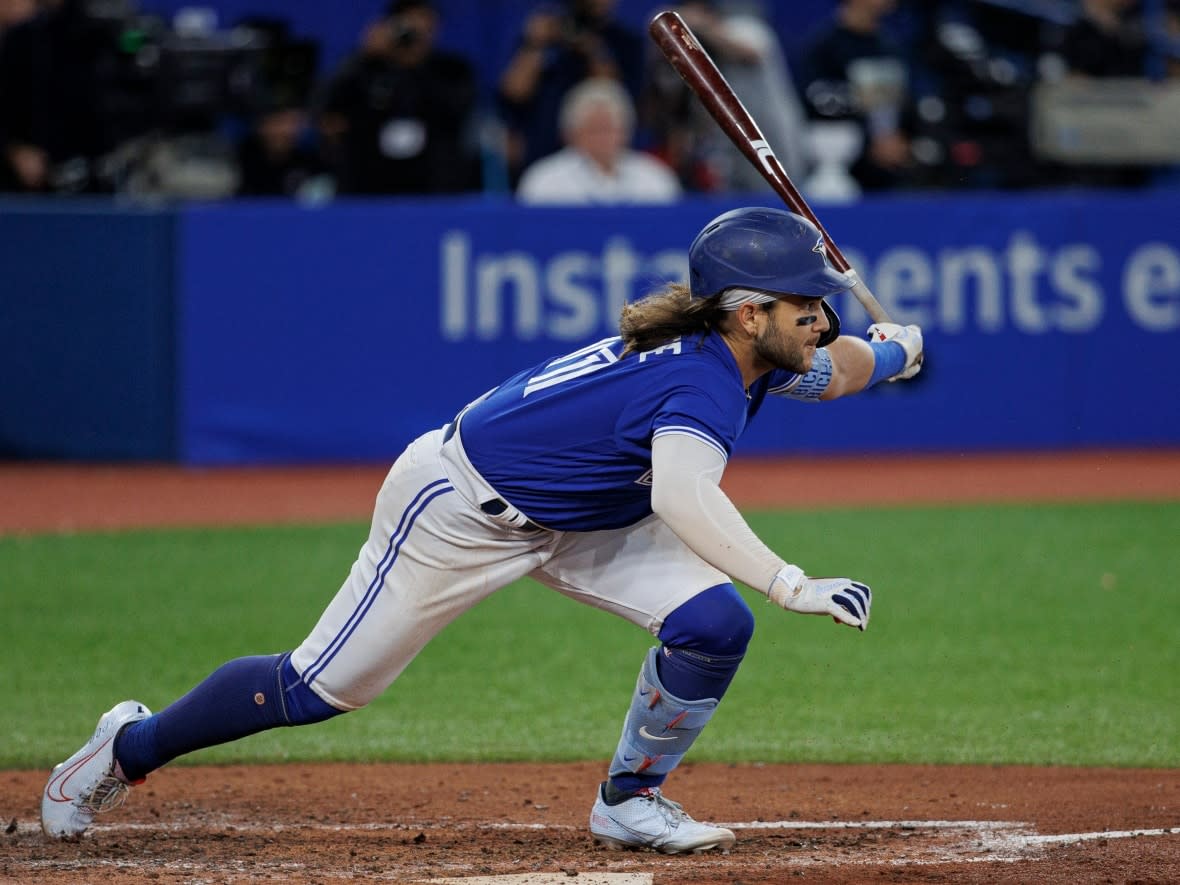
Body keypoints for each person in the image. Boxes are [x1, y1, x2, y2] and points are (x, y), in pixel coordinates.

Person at [41, 207, 924, 854]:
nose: (822, 317)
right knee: (320, 687)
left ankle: (629, 798)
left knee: (711, 623)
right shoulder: (697, 381)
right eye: (805, 303)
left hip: (583, 516)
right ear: (747, 312)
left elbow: (832, 370)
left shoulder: (747, 352)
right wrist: (789, 582)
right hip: (461, 507)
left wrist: (893, 353)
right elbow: (686, 498)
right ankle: (127, 747)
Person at [642, 0, 810, 193]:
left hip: (767, 140)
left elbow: (751, 51)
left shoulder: (744, 27)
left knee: (771, 202)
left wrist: (699, 24)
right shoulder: (684, 39)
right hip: (719, 147)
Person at [315, 0, 480, 195]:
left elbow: (455, 112)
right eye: (409, 21)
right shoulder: (366, 67)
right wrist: (362, 57)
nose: (417, 29)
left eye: (425, 21)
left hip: (434, 185)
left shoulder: (452, 70)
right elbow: (327, 108)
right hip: (368, 185)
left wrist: (414, 64)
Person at [496, 0, 645, 186]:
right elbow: (514, 91)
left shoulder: (624, 40)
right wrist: (534, 43)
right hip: (542, 151)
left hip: (604, 158)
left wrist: (591, 49)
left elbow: (615, 95)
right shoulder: (548, 32)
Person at [796, 0, 915, 192]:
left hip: (893, 166)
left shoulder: (891, 46)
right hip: (843, 170)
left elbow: (902, 102)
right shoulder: (823, 49)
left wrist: (901, 138)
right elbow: (818, 107)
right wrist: (870, 141)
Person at [515, 77, 681, 204]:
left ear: (626, 132)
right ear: (571, 134)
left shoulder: (656, 178)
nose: (603, 138)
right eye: (594, 129)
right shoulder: (543, 181)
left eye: (609, 128)